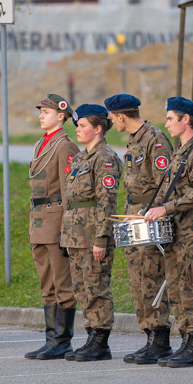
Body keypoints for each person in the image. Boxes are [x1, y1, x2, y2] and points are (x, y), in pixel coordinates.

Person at [144, 96, 193, 368]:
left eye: (170, 119)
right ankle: (186, 341)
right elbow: (168, 190)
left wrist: (166, 208)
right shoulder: (179, 152)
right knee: (175, 288)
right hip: (176, 231)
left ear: (186, 120)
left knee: (191, 287)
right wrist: (152, 210)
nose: (166, 124)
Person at [105, 93, 174, 364]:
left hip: (149, 218)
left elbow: (165, 183)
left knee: (152, 277)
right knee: (138, 280)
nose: (113, 122)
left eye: (113, 117)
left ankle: (160, 340)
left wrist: (149, 213)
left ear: (121, 116)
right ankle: (149, 337)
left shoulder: (154, 139)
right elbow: (133, 187)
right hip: (135, 217)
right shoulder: (134, 140)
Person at [60, 104, 121, 361]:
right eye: (77, 126)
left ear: (98, 129)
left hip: (92, 234)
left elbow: (107, 203)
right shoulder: (81, 158)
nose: (78, 130)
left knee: (96, 287)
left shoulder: (105, 157)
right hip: (75, 234)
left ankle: (101, 341)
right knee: (82, 288)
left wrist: (101, 239)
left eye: (83, 126)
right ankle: (90, 335)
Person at [25, 94, 79, 360]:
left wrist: (67, 229)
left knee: (62, 283)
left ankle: (62, 341)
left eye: (45, 112)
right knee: (47, 284)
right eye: (40, 111)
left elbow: (70, 190)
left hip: (56, 219)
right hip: (39, 221)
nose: (40, 115)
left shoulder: (64, 146)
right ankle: (50, 339)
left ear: (61, 115)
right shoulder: (40, 144)